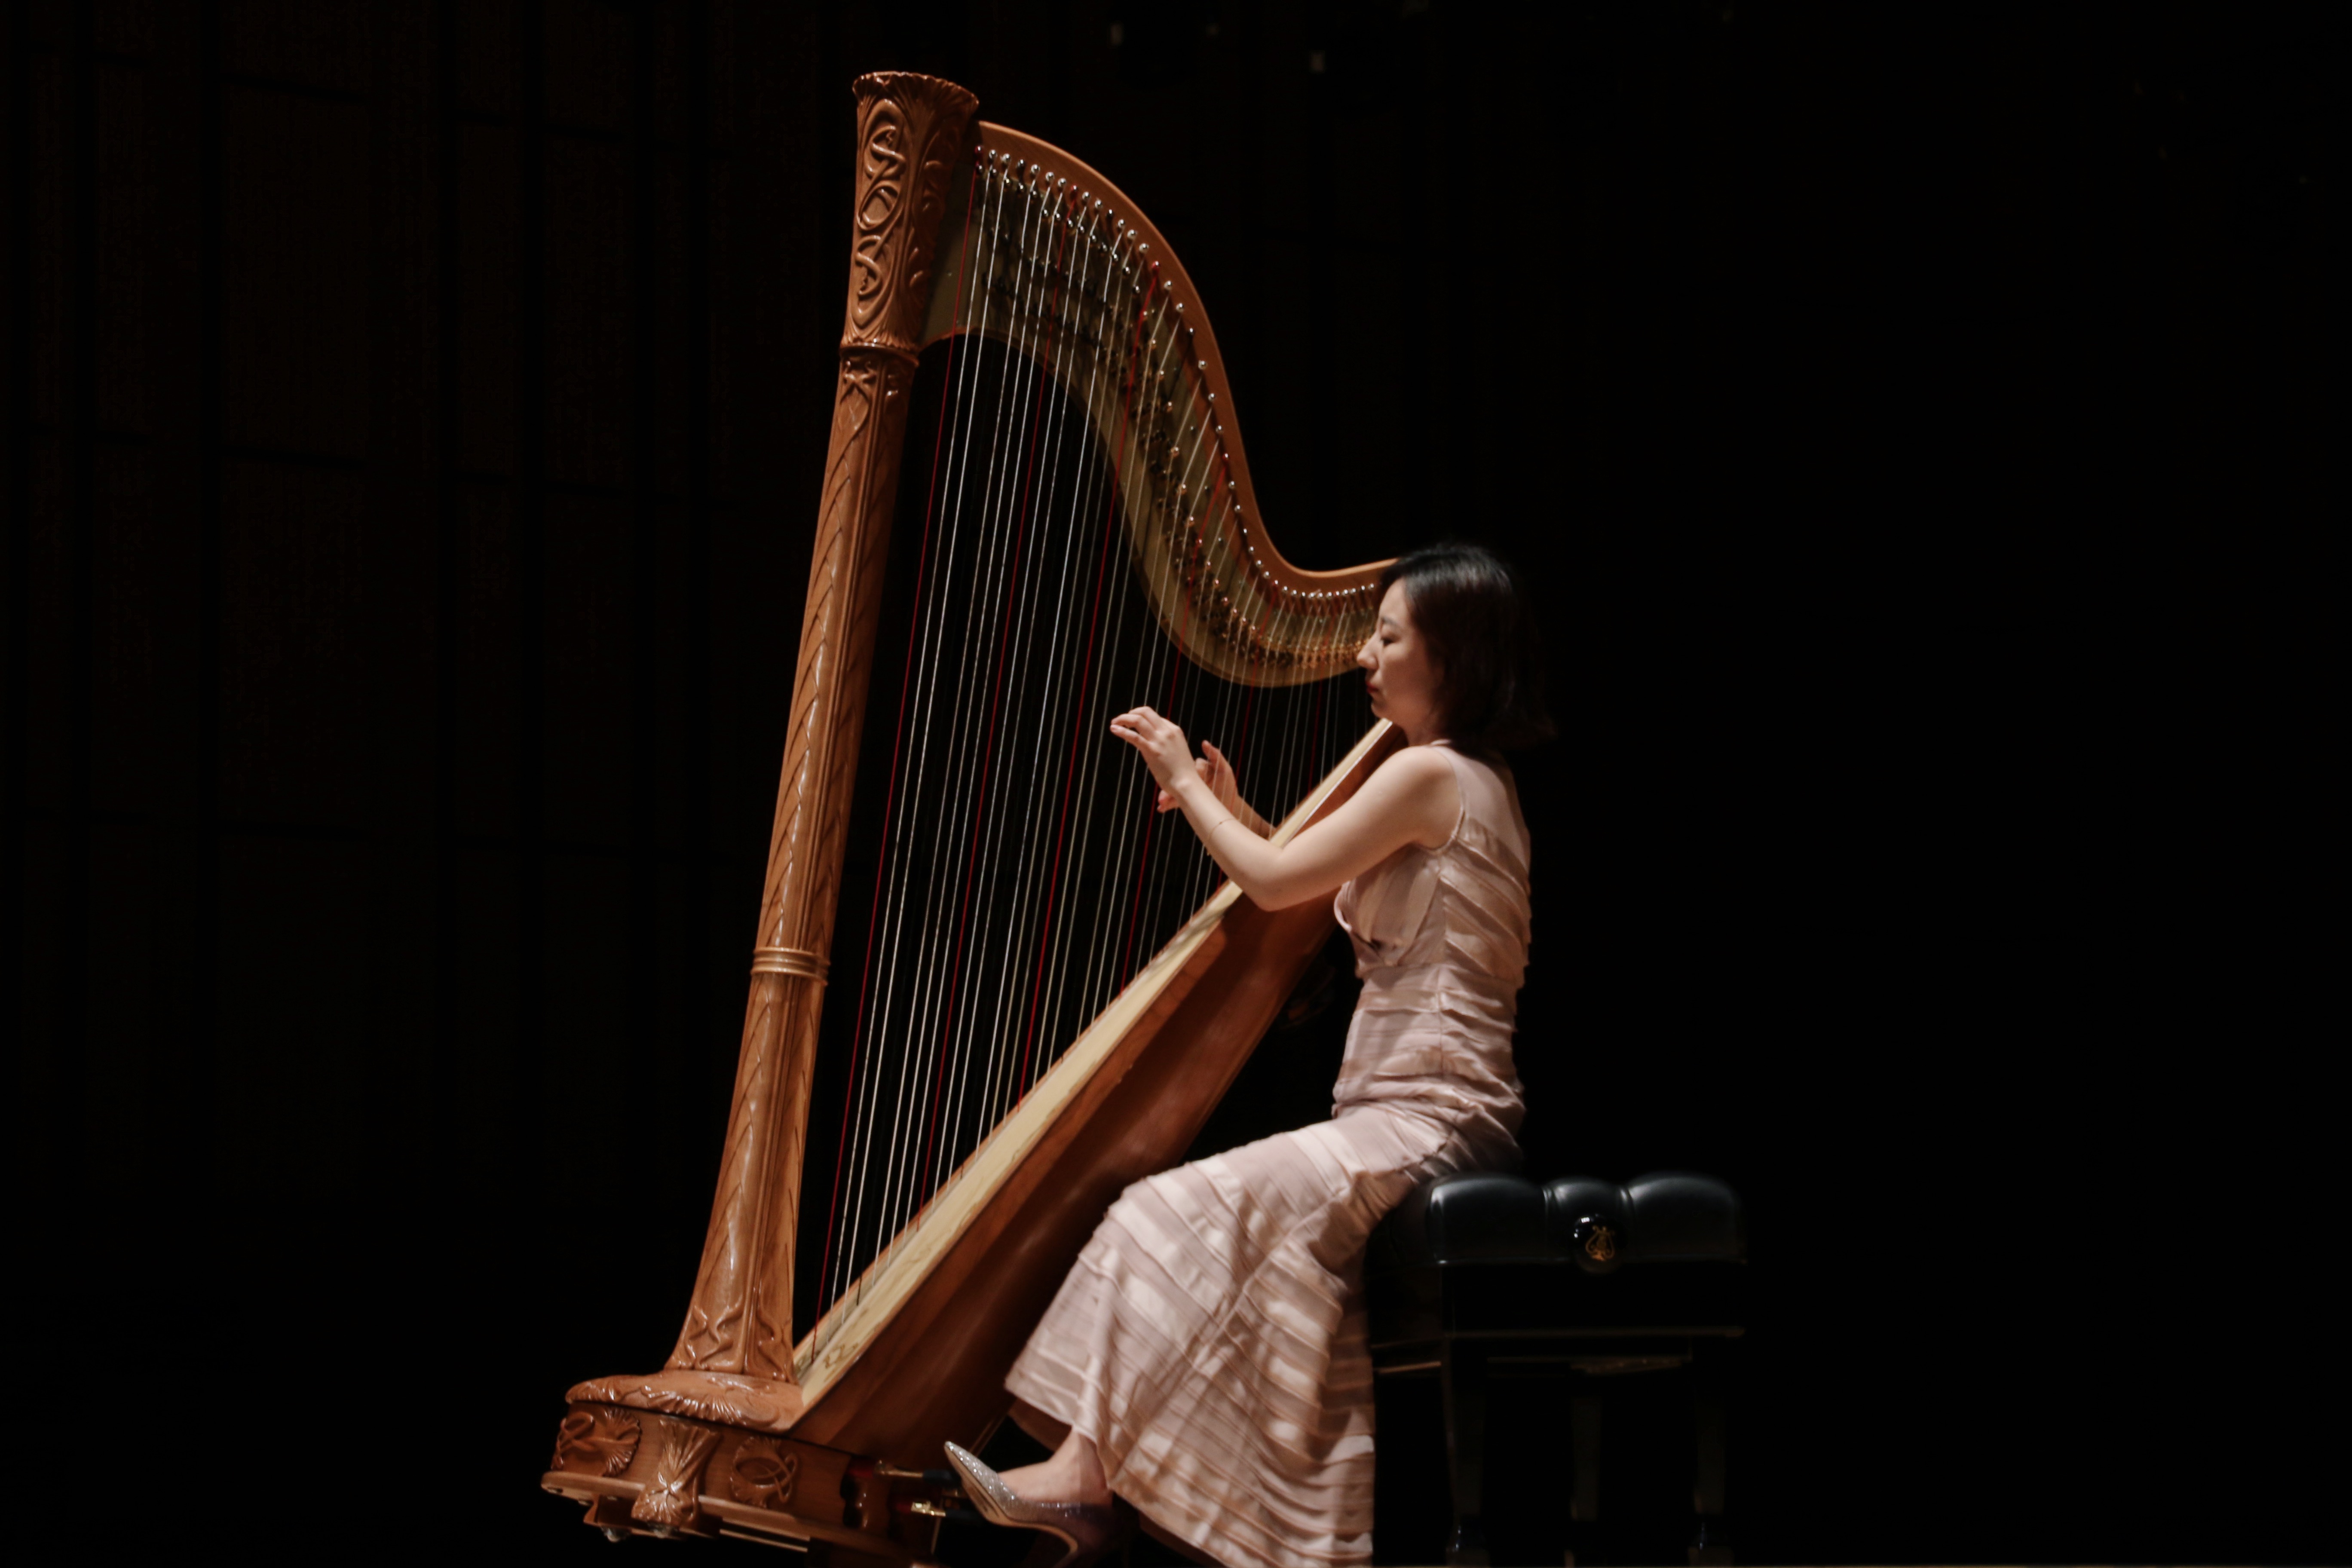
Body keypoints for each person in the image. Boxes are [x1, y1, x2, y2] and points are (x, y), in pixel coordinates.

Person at [945, 542, 1553, 1568]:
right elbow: (1312, 881)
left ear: (1451, 655)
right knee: (1189, 1223)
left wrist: (1185, 778)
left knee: (1163, 1210)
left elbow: (1274, 886)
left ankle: (1105, 1487)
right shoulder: (1464, 781)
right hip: (1403, 1116)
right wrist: (1228, 811)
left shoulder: (1429, 773)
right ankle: (1093, 1480)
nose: (1363, 655)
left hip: (1431, 1121)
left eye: (1387, 636)